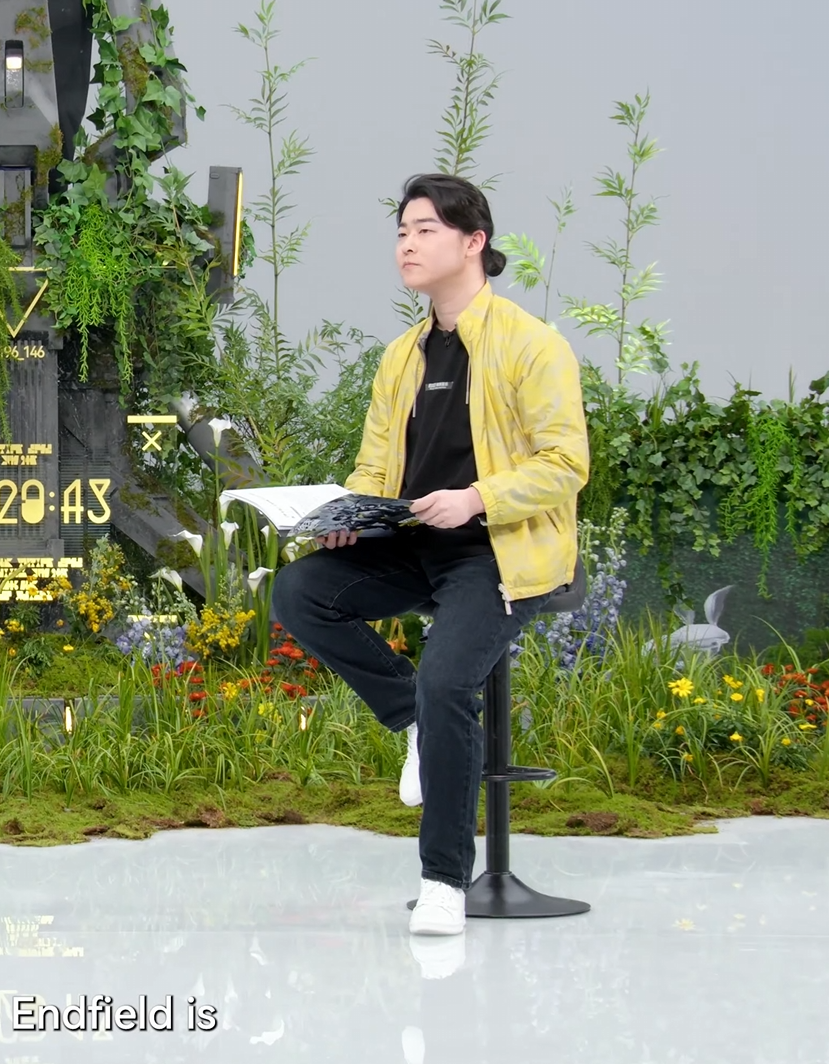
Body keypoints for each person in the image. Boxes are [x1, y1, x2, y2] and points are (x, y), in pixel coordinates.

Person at [271, 174, 588, 936]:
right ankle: (410, 715)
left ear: (474, 241)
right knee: (299, 592)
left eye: (424, 230)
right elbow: (375, 465)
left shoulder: (533, 345)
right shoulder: (401, 357)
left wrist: (477, 497)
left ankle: (444, 881)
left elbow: (565, 464)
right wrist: (348, 515)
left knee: (448, 680)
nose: (406, 245)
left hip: (497, 552)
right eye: (401, 232)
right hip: (413, 543)